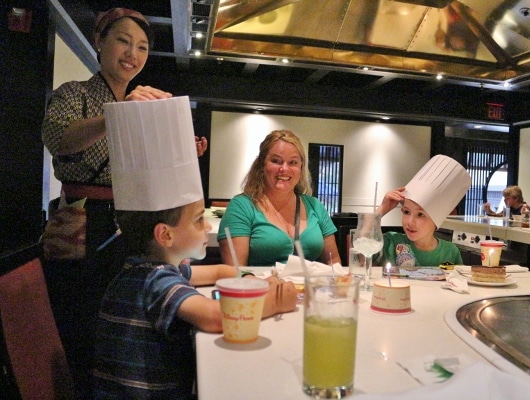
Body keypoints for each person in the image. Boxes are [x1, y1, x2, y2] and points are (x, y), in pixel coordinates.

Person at [40, 8, 207, 396]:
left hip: (131, 225)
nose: (133, 53)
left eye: (143, 47)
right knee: (84, 324)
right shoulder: (75, 93)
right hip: (84, 225)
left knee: (132, 323)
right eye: (123, 41)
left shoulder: (144, 105)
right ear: (99, 42)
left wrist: (179, 150)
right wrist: (116, 115)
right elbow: (58, 138)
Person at [93, 97, 297, 399]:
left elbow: (219, 270)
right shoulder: (154, 280)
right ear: (165, 235)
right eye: (199, 220)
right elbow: (216, 317)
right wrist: (274, 303)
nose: (207, 228)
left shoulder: (153, 267)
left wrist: (250, 281)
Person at [218, 130, 341, 266]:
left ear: (301, 168)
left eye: (293, 162)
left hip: (310, 287)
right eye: (276, 161)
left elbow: (333, 262)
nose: (284, 168)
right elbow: (235, 270)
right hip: (261, 286)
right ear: (262, 165)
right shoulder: (242, 206)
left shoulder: (315, 206)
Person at [373, 155, 471, 267]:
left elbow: (456, 281)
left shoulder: (449, 253)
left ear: (436, 220)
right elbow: (361, 252)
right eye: (406, 212)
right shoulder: (391, 242)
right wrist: (382, 209)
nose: (410, 222)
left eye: (420, 214)